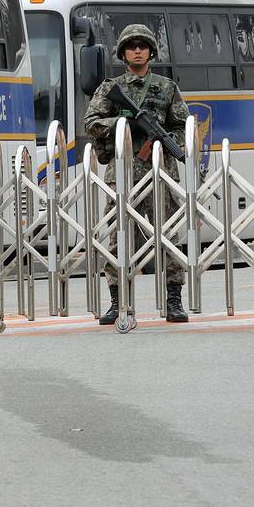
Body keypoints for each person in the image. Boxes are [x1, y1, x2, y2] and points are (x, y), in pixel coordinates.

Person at [83, 24, 191, 325]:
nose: (138, 50)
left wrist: (164, 139)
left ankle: (173, 300)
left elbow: (183, 127)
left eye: (143, 45)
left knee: (168, 237)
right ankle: (118, 302)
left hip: (160, 174)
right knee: (118, 239)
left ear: (151, 51)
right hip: (124, 173)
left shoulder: (167, 88)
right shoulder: (110, 88)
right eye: (132, 46)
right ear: (123, 53)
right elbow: (91, 121)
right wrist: (124, 123)